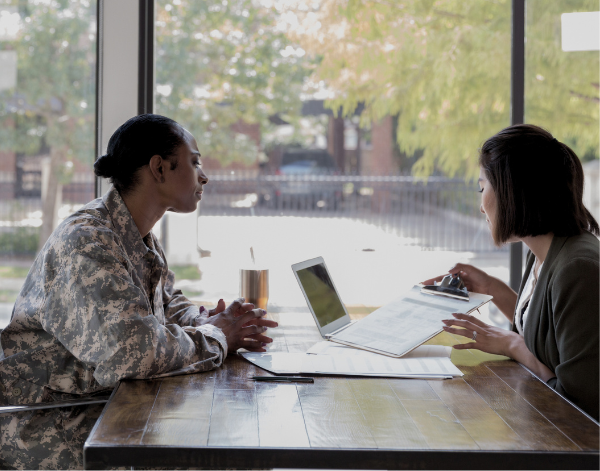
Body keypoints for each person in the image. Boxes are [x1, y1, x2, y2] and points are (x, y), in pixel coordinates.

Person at [0, 114, 278, 469]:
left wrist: (204, 318)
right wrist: (218, 334)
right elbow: (134, 356)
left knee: (237, 442)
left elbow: (165, 300)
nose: (204, 175)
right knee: (226, 453)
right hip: (55, 425)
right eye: (194, 162)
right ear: (160, 169)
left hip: (108, 406)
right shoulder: (88, 241)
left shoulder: (133, 232)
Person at [424, 124, 599, 421]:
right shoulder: (546, 250)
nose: (481, 206)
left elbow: (580, 404)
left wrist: (513, 345)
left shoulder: (577, 268)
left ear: (512, 191)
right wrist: (493, 289)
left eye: (482, 188)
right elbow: (547, 335)